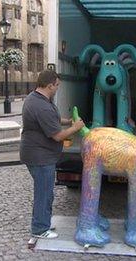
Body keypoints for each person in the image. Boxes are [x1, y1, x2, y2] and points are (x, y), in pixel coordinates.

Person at [20, 70, 85, 239]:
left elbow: (52, 119)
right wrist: (75, 128)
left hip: (38, 155)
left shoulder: (36, 98)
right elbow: (58, 136)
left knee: (46, 191)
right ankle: (39, 229)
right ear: (49, 86)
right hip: (40, 157)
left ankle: (43, 223)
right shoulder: (41, 106)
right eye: (56, 86)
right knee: (44, 193)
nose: (57, 88)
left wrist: (68, 121)